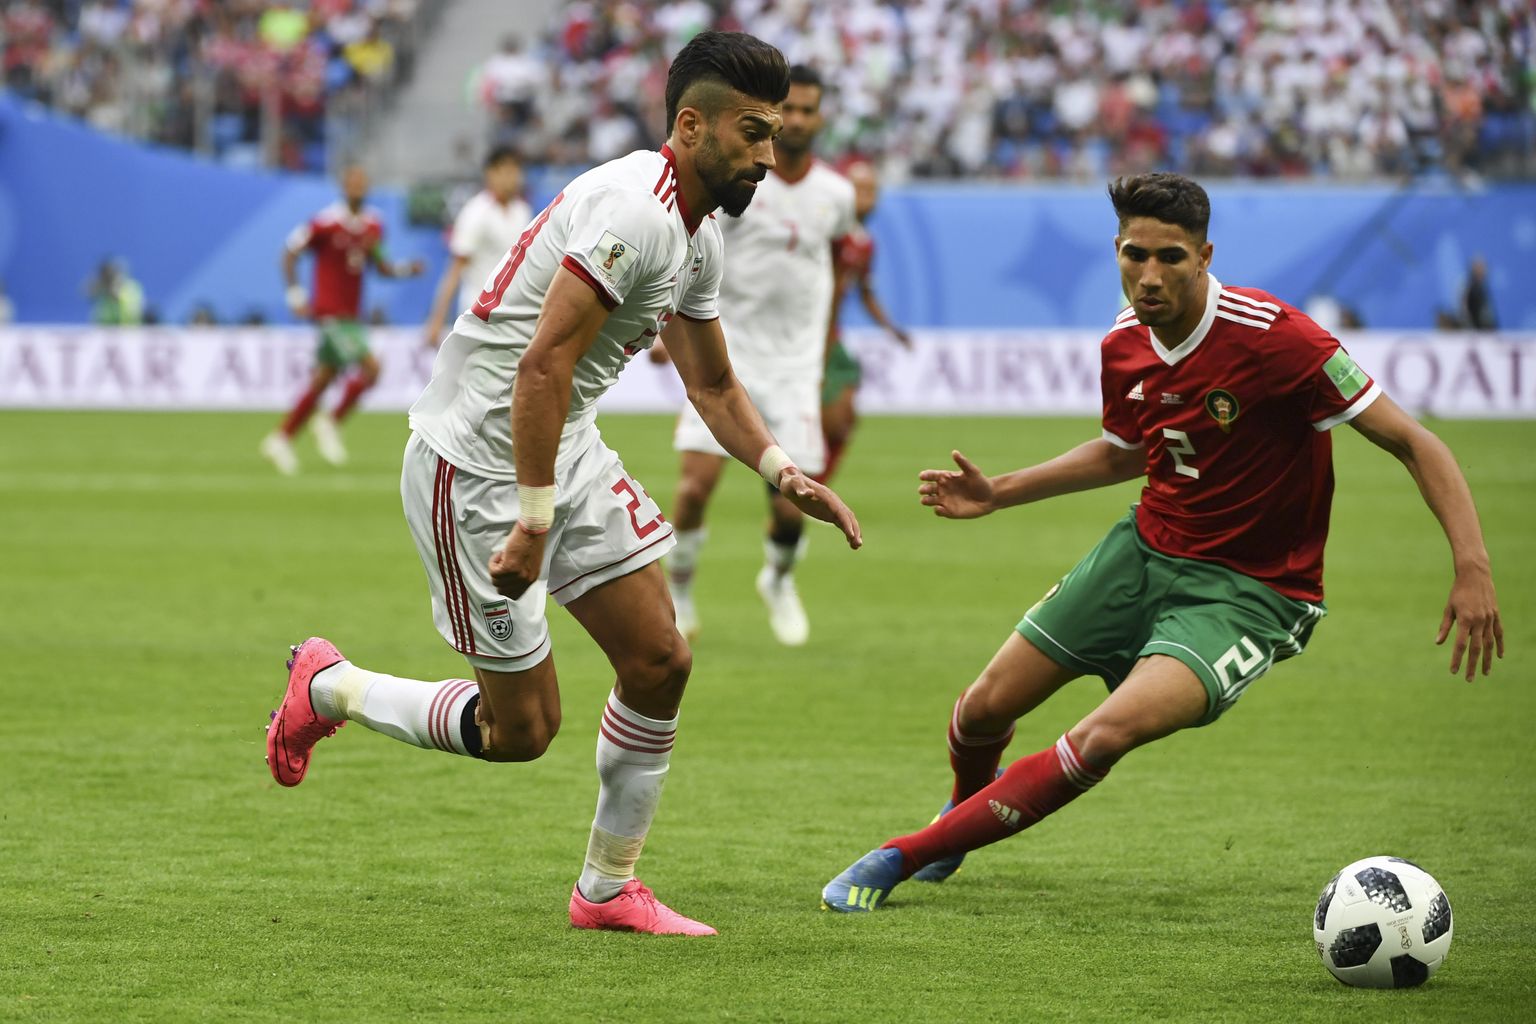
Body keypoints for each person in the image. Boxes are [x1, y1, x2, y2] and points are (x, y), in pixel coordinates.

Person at [265, 32, 861, 937]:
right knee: (522, 733)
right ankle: (331, 687)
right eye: (752, 133)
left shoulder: (696, 236)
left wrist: (785, 472)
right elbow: (540, 364)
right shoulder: (636, 213)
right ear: (690, 126)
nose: (769, 157)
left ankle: (608, 888)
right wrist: (535, 521)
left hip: (560, 442)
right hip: (476, 462)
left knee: (660, 661)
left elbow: (710, 385)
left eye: (775, 134)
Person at [821, 172, 1503, 913]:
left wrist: (1471, 566)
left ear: (1205, 256)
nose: (1149, 276)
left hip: (1250, 595)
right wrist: (1000, 493)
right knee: (982, 709)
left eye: (1170, 257)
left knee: (1102, 736)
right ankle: (960, 821)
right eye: (1134, 255)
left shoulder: (1279, 339)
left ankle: (904, 853)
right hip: (1144, 552)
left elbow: (1413, 441)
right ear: (1116, 250)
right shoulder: (1124, 341)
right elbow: (1126, 452)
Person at [665, 64, 858, 647]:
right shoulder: (741, 177)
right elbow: (694, 249)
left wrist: (826, 342)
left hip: (796, 367)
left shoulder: (836, 195)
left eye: (806, 110)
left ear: (819, 118)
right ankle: (680, 588)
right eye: (788, 109)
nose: (796, 120)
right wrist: (671, 327)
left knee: (791, 504)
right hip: (730, 355)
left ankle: (777, 579)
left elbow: (837, 266)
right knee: (693, 489)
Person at [260, 165, 424, 475]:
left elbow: (381, 267)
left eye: (362, 183)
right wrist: (296, 296)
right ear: (343, 186)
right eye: (353, 183)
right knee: (372, 368)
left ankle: (281, 439)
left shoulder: (374, 225)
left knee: (323, 380)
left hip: (351, 314)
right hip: (329, 313)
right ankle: (330, 422)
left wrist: (406, 270)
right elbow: (289, 253)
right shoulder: (325, 223)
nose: (358, 188)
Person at [819, 159, 911, 484]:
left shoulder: (864, 243)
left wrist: (891, 329)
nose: (867, 199)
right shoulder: (829, 234)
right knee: (831, 423)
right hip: (809, 338)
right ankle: (801, 489)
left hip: (832, 337)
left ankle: (810, 489)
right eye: (860, 190)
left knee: (843, 421)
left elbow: (865, 292)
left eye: (872, 191)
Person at [422, 146, 532, 347]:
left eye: (516, 171)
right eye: (506, 171)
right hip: (478, 314)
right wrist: (437, 320)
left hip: (513, 315)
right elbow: (455, 269)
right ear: (490, 173)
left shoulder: (522, 211)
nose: (513, 178)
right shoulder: (475, 212)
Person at [1460, 256, 1497, 330]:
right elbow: (1463, 309)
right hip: (1472, 329)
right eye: (1479, 268)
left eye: (1483, 267)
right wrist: (1470, 328)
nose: (1482, 270)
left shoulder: (1482, 287)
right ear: (1473, 269)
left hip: (1484, 329)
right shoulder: (1467, 286)